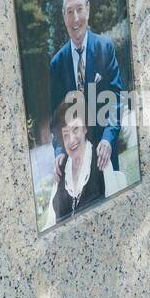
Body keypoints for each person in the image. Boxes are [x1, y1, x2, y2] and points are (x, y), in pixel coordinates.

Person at [48, 0, 124, 183]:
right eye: (70, 12)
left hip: (104, 157)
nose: (76, 19)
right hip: (75, 163)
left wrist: (108, 139)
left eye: (80, 9)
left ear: (88, 10)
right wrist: (58, 152)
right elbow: (56, 119)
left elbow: (116, 100)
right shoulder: (57, 63)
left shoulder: (105, 49)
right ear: (64, 17)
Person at [51, 92, 106, 222]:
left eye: (75, 129)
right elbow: (52, 222)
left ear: (85, 128)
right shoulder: (60, 170)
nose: (71, 140)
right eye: (65, 134)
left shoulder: (100, 159)